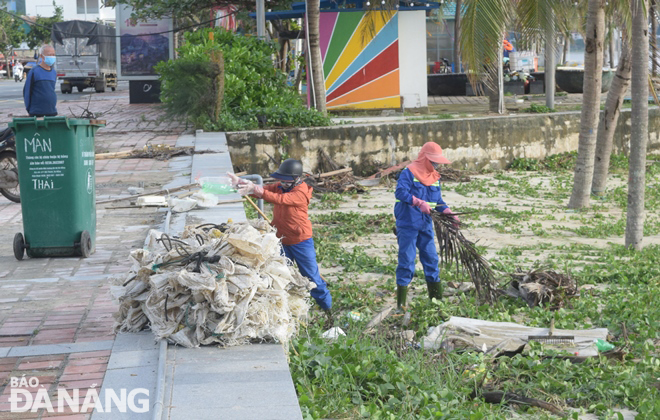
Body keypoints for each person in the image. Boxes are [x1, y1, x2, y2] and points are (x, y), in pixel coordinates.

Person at [227, 160, 333, 313]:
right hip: (282, 239)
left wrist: (256, 190)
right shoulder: (282, 187)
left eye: (286, 181)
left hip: (300, 240)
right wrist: (241, 183)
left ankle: (327, 310)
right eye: (281, 180)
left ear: (296, 179)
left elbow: (279, 199)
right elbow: (263, 190)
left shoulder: (300, 192)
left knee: (311, 277)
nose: (282, 183)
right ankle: (288, 310)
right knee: (280, 274)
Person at [394, 142, 459, 311]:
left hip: (425, 224)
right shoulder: (409, 172)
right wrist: (417, 202)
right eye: (433, 161)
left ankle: (436, 303)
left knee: (431, 259)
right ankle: (401, 306)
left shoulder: (435, 178)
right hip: (407, 222)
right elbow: (400, 192)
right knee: (407, 261)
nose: (436, 165)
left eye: (438, 162)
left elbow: (437, 202)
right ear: (424, 158)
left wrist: (448, 212)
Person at [23, 45, 58, 117]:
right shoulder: (34, 71)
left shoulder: (53, 73)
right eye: (49, 55)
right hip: (37, 113)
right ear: (42, 56)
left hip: (52, 112)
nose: (52, 57)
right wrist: (29, 109)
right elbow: (27, 91)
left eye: (53, 55)